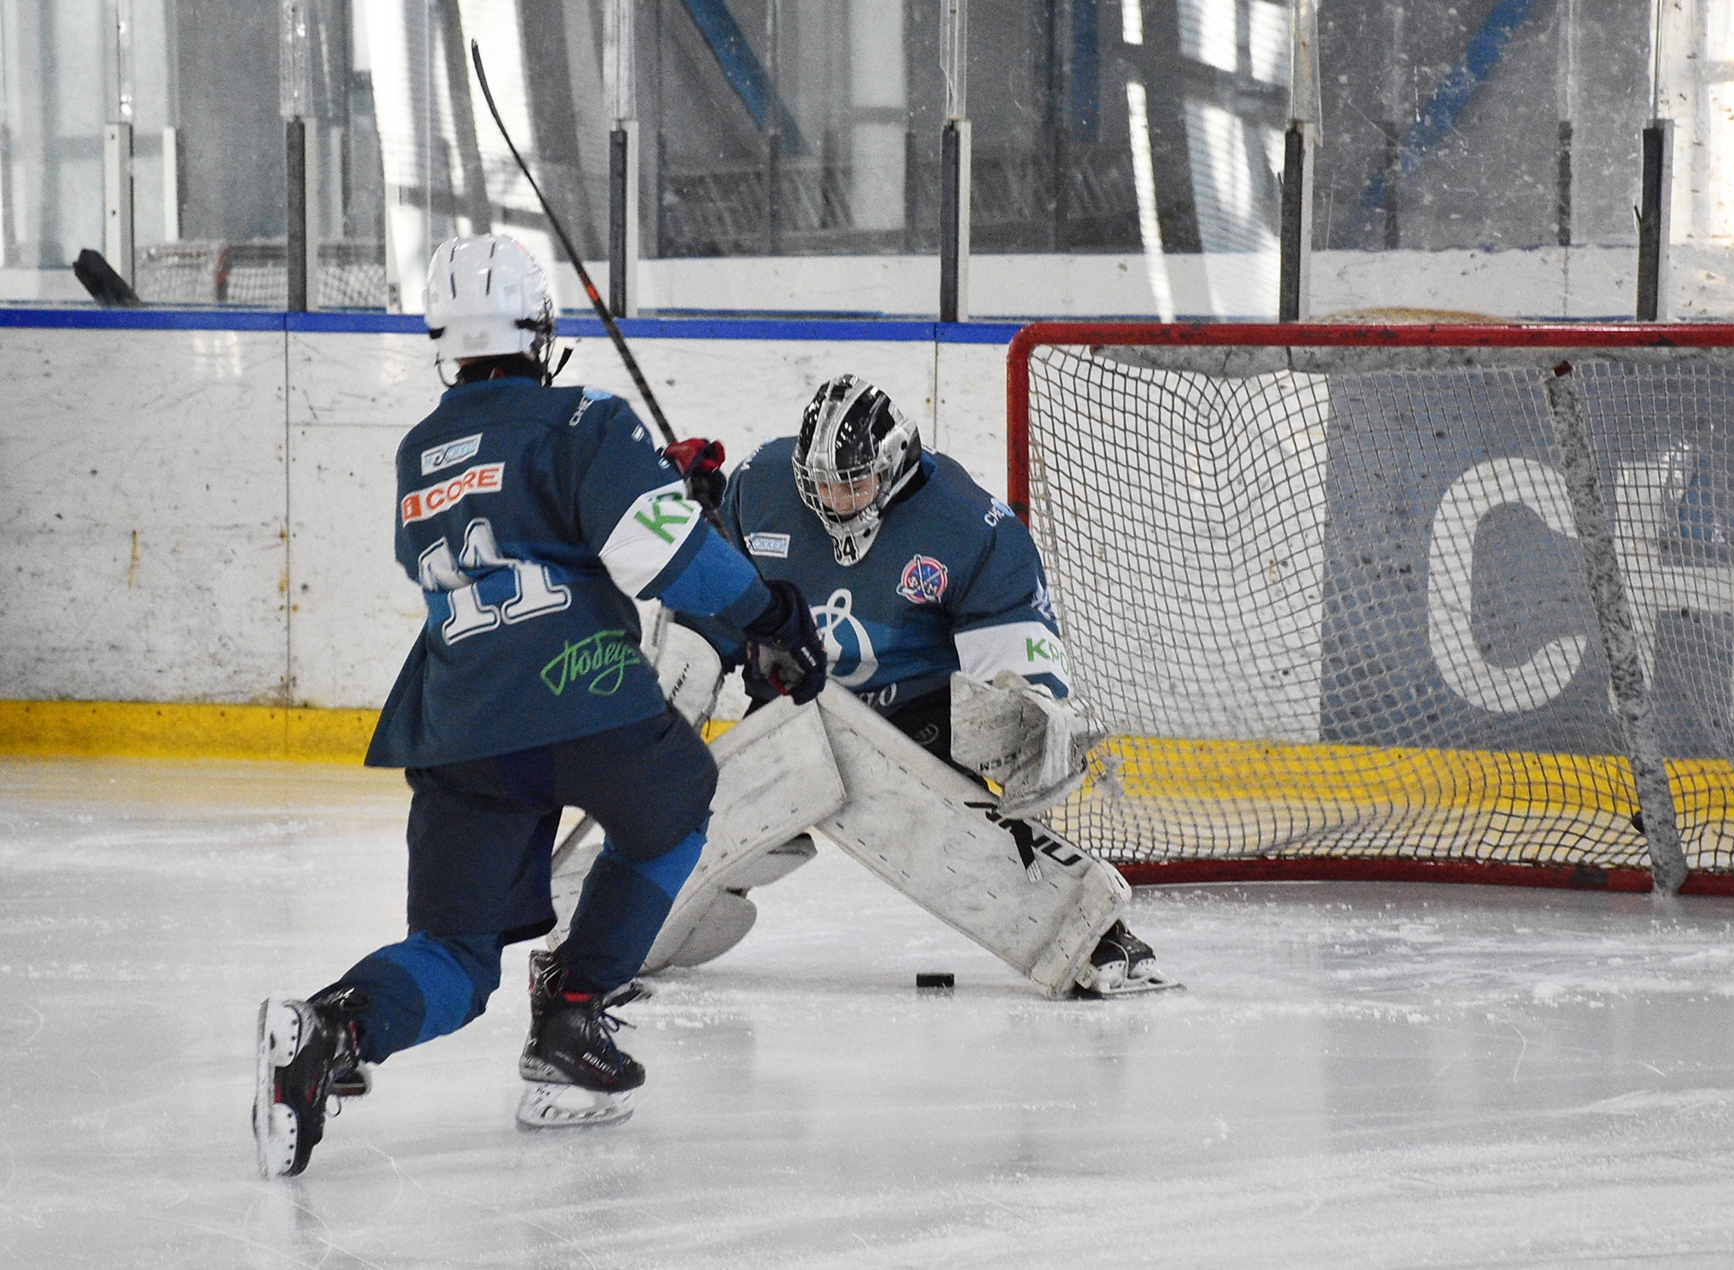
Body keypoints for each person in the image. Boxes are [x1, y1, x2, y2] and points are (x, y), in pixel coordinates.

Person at [252, 234, 826, 1179]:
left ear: (447, 336)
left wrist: (652, 486)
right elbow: (658, 556)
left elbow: (527, 525)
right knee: (677, 806)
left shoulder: (418, 449)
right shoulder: (585, 419)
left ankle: (328, 1032)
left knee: (456, 951)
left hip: (461, 720)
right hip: (583, 692)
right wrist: (766, 610)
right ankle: (571, 1012)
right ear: (542, 327)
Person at [677, 373, 1173, 996]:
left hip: (913, 711)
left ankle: (1090, 934)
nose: (835, 500)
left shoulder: (970, 526)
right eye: (822, 484)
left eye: (852, 482)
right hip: (788, 706)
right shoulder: (761, 484)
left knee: (931, 817)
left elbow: (1016, 662)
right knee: (693, 798)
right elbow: (711, 609)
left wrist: (1032, 710)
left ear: (894, 466)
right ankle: (614, 940)